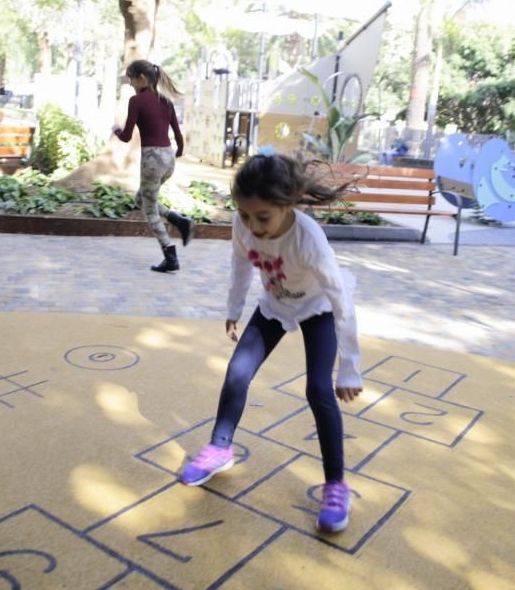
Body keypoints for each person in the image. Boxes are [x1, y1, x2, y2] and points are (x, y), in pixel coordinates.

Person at [179, 154, 364, 534]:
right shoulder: (243, 224)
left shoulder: (308, 239)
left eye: (262, 217)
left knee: (317, 389)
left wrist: (350, 366)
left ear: (288, 203)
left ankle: (335, 485)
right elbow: (241, 263)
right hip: (275, 305)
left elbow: (341, 299)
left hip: (319, 309)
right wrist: (233, 308)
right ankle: (220, 447)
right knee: (237, 372)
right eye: (245, 216)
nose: (253, 226)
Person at [113, 60, 193, 273]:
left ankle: (170, 255)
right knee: (142, 198)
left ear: (141, 78)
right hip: (168, 159)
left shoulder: (136, 101)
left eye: (131, 79)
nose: (130, 84)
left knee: (149, 208)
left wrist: (116, 130)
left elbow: (127, 136)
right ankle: (179, 221)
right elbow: (177, 132)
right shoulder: (165, 101)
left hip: (152, 159)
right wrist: (179, 151)